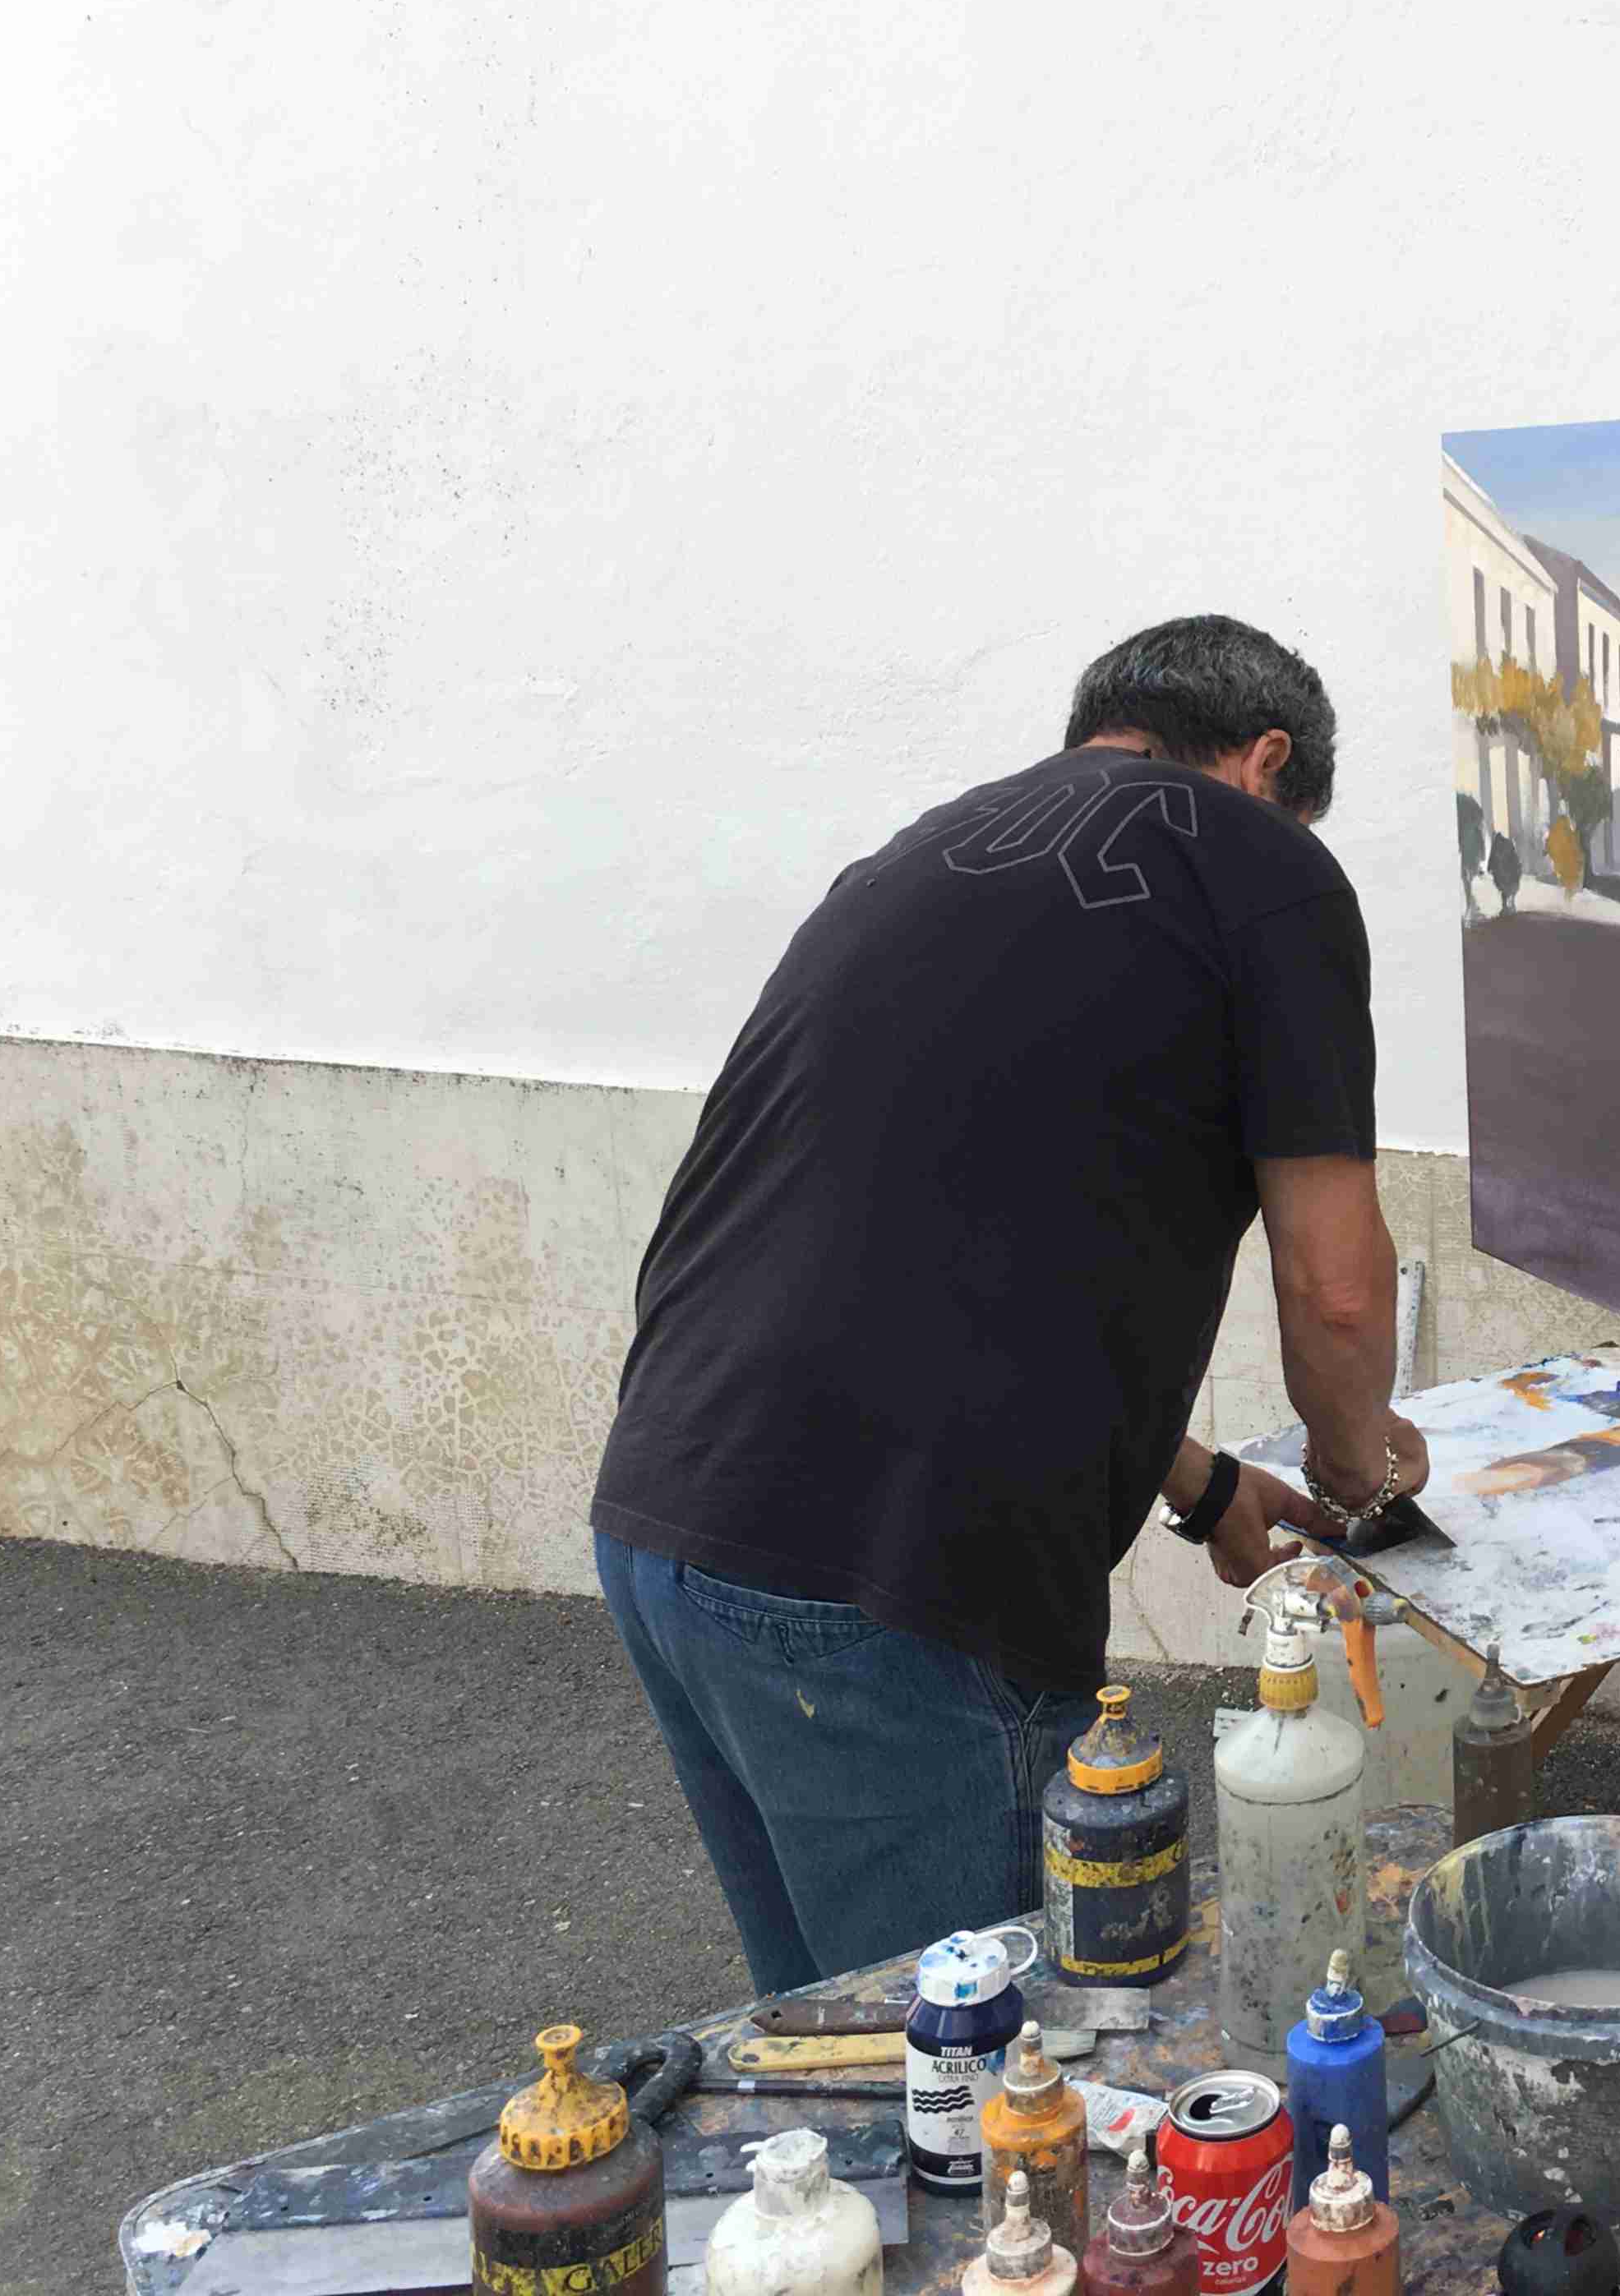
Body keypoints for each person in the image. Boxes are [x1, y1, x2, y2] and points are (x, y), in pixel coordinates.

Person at [590, 615, 1430, 1993]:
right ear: (1267, 760)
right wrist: (1363, 1474)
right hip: (884, 1575)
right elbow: (1338, 1295)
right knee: (985, 2063)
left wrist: (1206, 1486)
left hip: (671, 1516)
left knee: (839, 2043)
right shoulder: (1262, 863)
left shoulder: (924, 850)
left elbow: (963, 1252)